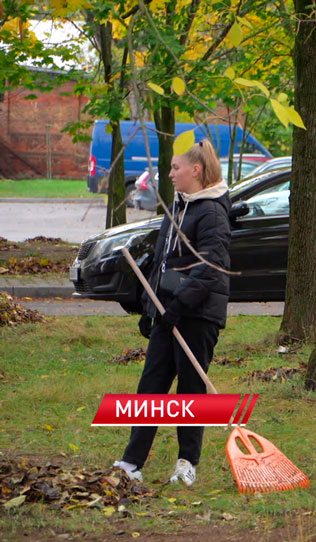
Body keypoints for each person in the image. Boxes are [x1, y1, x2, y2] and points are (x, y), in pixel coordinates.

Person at [112, 140, 232, 485]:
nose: (170, 173)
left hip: (197, 315)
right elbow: (165, 261)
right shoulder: (178, 206)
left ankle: (186, 463)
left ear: (196, 170)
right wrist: (150, 309)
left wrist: (179, 307)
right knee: (151, 387)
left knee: (191, 392)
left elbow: (212, 268)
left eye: (175, 168)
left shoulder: (210, 211)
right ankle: (131, 463)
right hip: (169, 313)